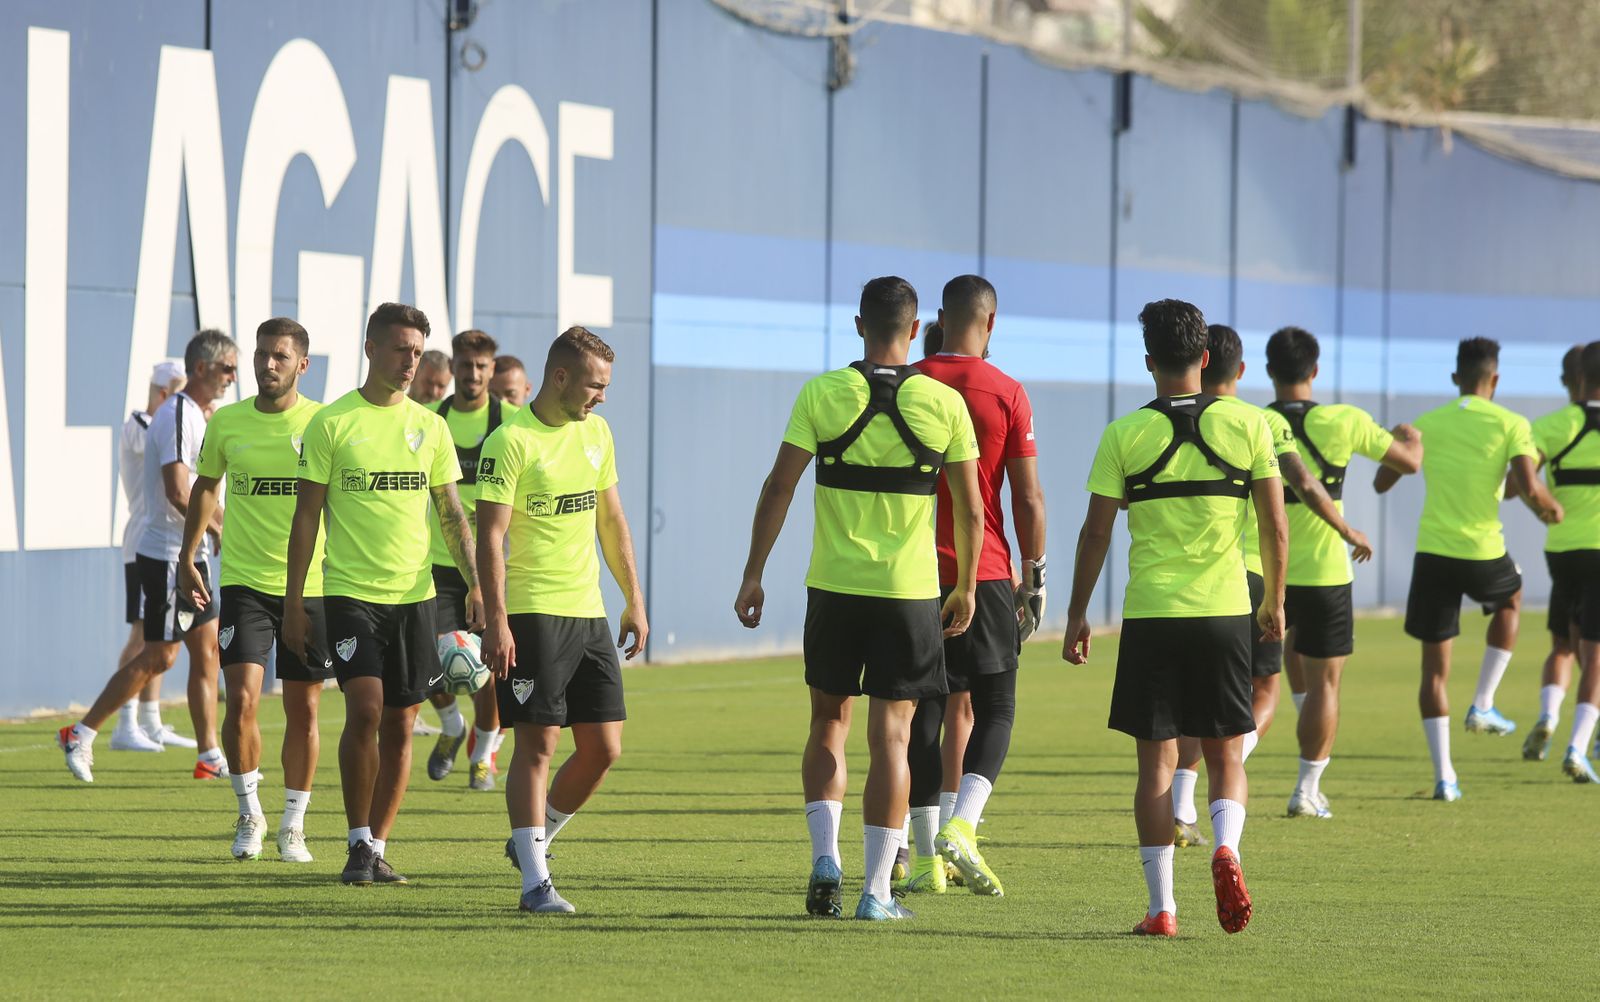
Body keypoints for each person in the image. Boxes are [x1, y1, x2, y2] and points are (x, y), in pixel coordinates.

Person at [735, 276, 982, 922]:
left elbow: (779, 487)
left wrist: (754, 573)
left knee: (828, 723)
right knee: (892, 737)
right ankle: (876, 893)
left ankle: (826, 859)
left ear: (858, 325)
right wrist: (964, 586)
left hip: (835, 588)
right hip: (909, 595)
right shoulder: (944, 403)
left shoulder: (822, 393)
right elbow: (971, 510)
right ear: (916, 327)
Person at [1062, 299, 1286, 938]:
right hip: (1225, 611)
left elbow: (1096, 533)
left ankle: (1162, 909)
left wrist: (1078, 613)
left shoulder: (1124, 434)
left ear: (1148, 361)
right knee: (1226, 753)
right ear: (1206, 358)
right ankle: (1226, 848)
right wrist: (1274, 600)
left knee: (1155, 766)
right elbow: (1274, 523)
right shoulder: (1249, 424)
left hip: (1152, 614)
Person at [283, 302, 482, 885]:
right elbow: (306, 519)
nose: (410, 361)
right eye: (400, 349)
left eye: (417, 351)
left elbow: (452, 514)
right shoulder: (333, 423)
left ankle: (376, 846)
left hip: (416, 598)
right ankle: (354, 841)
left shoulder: (432, 427)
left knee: (400, 724)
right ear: (370, 348)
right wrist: (294, 603)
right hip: (349, 594)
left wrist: (478, 585)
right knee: (366, 709)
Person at [1170, 324, 1377, 840]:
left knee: (1197, 696)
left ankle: (1182, 804)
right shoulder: (1259, 420)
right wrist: (1347, 529)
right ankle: (1243, 767)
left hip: (1188, 583)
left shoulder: (1163, 419)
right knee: (1267, 688)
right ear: (1240, 370)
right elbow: (1298, 486)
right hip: (1256, 576)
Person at [477, 326, 648, 914]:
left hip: (588, 613)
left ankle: (533, 841)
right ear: (560, 377)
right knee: (538, 743)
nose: (602, 396)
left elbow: (612, 520)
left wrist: (633, 598)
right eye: (595, 385)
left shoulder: (597, 432)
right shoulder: (510, 441)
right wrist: (497, 619)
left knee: (604, 747)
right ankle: (534, 884)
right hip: (532, 612)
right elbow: (490, 536)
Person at [897, 275, 1045, 898]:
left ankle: (926, 858)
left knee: (923, 712)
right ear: (991, 322)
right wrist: (1033, 577)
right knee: (998, 707)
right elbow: (1027, 498)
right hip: (983, 570)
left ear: (938, 317)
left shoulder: (907, 382)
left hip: (911, 575)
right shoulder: (1006, 391)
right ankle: (963, 826)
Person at [1376, 337, 1560, 802]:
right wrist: (1550, 508)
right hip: (1482, 551)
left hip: (1433, 555)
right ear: (1494, 379)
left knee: (1433, 673)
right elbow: (1528, 486)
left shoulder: (1428, 422)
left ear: (1455, 377)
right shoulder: (1512, 423)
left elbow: (1382, 482)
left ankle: (1445, 778)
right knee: (1512, 596)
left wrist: (1403, 439)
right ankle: (1482, 702)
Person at [178, 318, 333, 862]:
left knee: (303, 710)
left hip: (311, 586)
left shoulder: (323, 423)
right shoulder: (227, 422)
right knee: (241, 700)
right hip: (244, 582)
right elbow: (205, 488)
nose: (268, 365)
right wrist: (187, 556)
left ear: (302, 365)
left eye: (280, 356)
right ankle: (249, 814)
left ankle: (294, 824)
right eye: (262, 354)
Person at [59, 331, 237, 783]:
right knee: (159, 656)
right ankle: (80, 732)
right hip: (167, 556)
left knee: (208, 650)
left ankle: (209, 755)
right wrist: (220, 527)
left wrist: (217, 528)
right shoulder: (176, 413)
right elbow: (179, 491)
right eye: (227, 368)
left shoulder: (197, 415)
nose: (233, 377)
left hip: (191, 554)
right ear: (201, 368)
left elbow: (198, 491)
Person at [1260, 326, 1421, 819]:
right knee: (1325, 686)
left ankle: (1203, 781)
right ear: (1315, 370)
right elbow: (1409, 463)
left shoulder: (1255, 420)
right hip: (1327, 572)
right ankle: (1306, 789)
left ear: (1268, 371)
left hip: (1266, 570)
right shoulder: (1346, 419)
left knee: (1262, 682)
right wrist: (1411, 439)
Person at [423, 330, 518, 790]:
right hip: (437, 563)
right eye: (465, 365)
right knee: (430, 660)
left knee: (489, 669)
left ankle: (482, 757)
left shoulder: (511, 423)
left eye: (482, 366)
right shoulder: (430, 420)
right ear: (453, 368)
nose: (473, 374)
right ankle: (451, 725)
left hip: (494, 566)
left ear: (492, 369)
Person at [107, 360, 194, 753]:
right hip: (146, 542)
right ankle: (124, 724)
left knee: (161, 634)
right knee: (143, 632)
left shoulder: (161, 423)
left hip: (165, 543)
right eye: (180, 395)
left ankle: (150, 721)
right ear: (164, 394)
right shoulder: (141, 425)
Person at [1527, 341, 1600, 782]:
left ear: (1579, 379)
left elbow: (1521, 478)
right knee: (1594, 654)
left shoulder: (1553, 425)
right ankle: (1578, 747)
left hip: (1562, 550)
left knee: (1563, 644)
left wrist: (1544, 506)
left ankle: (1549, 715)